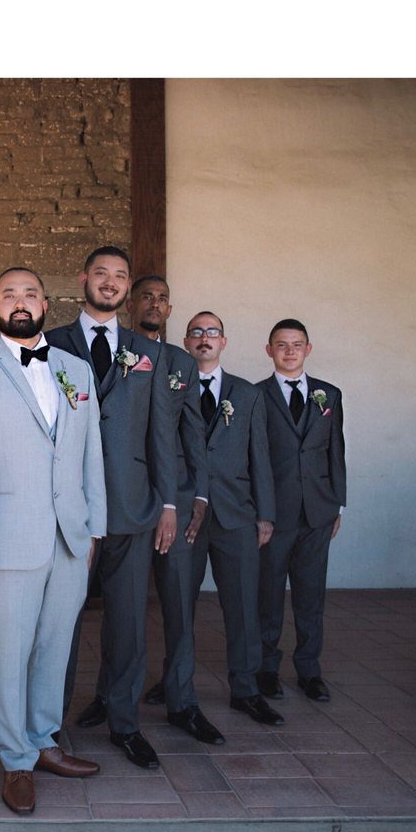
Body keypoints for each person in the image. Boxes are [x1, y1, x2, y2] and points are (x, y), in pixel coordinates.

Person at [0, 267, 105, 815]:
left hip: (70, 535)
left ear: (46, 302)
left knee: (56, 646)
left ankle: (44, 740)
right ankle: (15, 760)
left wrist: (94, 526)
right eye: (9, 293)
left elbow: (90, 453)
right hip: (8, 535)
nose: (20, 301)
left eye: (30, 292)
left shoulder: (77, 370)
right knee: (10, 653)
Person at [45, 247, 178, 771]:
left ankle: (126, 724)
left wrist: (168, 501)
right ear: (84, 279)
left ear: (127, 289)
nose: (110, 282)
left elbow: (161, 432)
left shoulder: (147, 351)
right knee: (61, 623)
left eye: (120, 276)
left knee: (127, 623)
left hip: (131, 504)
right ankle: (46, 727)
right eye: (101, 273)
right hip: (69, 506)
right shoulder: (52, 343)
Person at [124, 278, 223, 745]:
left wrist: (199, 494)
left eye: (163, 299)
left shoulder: (183, 362)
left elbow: (193, 434)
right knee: (122, 610)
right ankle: (110, 697)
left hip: (178, 499)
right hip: (126, 497)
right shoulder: (117, 351)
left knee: (180, 603)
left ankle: (183, 701)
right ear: (131, 304)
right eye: (147, 296)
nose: (155, 304)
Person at [183, 311, 285, 726]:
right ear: (187, 342)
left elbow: (260, 456)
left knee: (243, 605)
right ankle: (177, 682)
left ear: (224, 342)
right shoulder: (173, 388)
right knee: (179, 605)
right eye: (196, 332)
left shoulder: (247, 394)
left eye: (212, 332)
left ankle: (246, 688)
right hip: (187, 515)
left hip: (237, 515)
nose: (204, 338)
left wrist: (265, 514)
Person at [257, 319, 346, 703]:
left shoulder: (330, 395)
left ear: (308, 349)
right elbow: (253, 458)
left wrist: (338, 503)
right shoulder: (256, 396)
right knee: (269, 595)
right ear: (269, 350)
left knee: (311, 596)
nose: (289, 351)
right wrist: (259, 511)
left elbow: (335, 452)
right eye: (281, 344)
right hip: (274, 515)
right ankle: (266, 669)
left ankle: (310, 670)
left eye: (297, 344)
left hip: (317, 514)